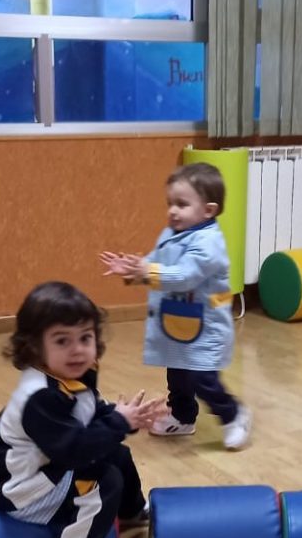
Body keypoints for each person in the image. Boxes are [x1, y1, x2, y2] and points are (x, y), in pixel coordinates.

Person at [0, 281, 164, 538]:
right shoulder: (40, 397)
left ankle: (132, 511)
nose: (78, 349)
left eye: (85, 338)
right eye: (62, 341)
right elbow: (75, 450)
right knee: (102, 479)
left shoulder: (73, 376)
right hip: (26, 491)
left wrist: (126, 418)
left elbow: (89, 416)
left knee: (118, 455)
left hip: (50, 468)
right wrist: (118, 423)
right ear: (35, 348)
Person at [99, 162, 252, 450]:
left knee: (201, 377)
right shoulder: (171, 232)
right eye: (170, 203)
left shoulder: (209, 244)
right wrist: (134, 270)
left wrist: (148, 271)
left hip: (206, 327)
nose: (172, 211)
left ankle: (233, 414)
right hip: (179, 322)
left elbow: (185, 274)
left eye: (182, 204)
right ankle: (182, 417)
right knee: (178, 374)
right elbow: (158, 260)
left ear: (208, 210)